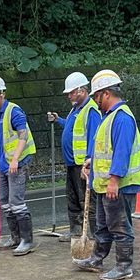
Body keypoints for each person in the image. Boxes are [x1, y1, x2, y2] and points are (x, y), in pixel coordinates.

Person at [73, 70, 140, 280]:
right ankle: (96, 259)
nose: (95, 101)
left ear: (106, 93)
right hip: (105, 184)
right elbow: (106, 148)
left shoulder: (122, 117)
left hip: (119, 185)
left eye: (96, 96)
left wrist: (114, 181)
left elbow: (122, 151)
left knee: (119, 226)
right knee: (103, 224)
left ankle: (124, 266)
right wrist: (92, 161)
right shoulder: (109, 116)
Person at [0, 76, 37, 256]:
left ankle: (27, 240)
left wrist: (15, 160)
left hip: (16, 164)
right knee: (3, 202)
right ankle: (15, 237)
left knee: (16, 203)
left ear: (2, 94)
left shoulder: (14, 112)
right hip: (2, 164)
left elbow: (23, 136)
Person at [47, 72, 101, 242]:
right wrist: (59, 120)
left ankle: (93, 233)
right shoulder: (76, 109)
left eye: (71, 92)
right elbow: (72, 127)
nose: (68, 95)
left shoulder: (90, 110)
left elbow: (94, 137)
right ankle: (75, 230)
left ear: (81, 90)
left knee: (87, 201)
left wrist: (88, 161)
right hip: (72, 163)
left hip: (82, 164)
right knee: (72, 198)